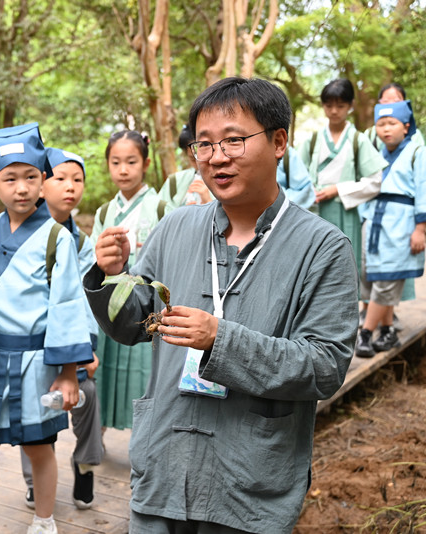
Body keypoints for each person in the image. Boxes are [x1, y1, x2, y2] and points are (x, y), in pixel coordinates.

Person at [84, 77, 358, 533]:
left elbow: (325, 366)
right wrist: (109, 275)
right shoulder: (175, 228)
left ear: (278, 141)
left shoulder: (322, 247)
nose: (216, 157)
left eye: (234, 140)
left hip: (249, 484)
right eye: (203, 144)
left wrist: (220, 340)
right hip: (163, 470)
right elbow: (134, 323)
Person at [0, 123, 93, 534]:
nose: (22, 188)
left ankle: (44, 521)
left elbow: (68, 303)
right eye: (10, 179)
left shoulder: (57, 237)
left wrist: (69, 373)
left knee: (40, 447)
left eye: (32, 177)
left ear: (43, 181)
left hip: (37, 360)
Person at [19, 147, 104, 511]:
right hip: (30, 345)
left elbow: (82, 301)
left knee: (85, 393)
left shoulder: (82, 242)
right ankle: (33, 480)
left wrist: (85, 349)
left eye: (78, 179)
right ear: (39, 184)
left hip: (69, 345)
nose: (70, 187)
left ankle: (84, 463)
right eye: (60, 178)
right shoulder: (18, 234)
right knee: (33, 406)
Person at [89, 130, 160, 432]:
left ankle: (142, 439)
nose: (123, 169)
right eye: (115, 162)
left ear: (145, 163)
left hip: (144, 309)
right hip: (110, 306)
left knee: (143, 374)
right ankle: (98, 437)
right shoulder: (105, 211)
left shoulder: (160, 207)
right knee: (106, 373)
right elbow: (92, 262)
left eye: (131, 161)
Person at [355, 101, 426, 357]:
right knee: (372, 276)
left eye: (392, 123)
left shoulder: (418, 151)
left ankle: (365, 333)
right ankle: (387, 331)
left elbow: (423, 190)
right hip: (375, 221)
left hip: (402, 223)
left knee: (387, 280)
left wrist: (421, 228)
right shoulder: (377, 153)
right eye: (381, 124)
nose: (386, 129)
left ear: (406, 127)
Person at [298, 79, 388, 276]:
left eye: (340, 106)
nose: (334, 111)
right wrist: (307, 191)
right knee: (311, 268)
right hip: (314, 211)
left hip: (345, 214)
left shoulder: (358, 140)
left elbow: (376, 181)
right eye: (328, 105)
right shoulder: (312, 140)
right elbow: (296, 175)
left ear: (350, 106)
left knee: (343, 269)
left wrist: (338, 189)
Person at [364, 82, 423, 324]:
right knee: (370, 270)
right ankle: (382, 322)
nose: (390, 106)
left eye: (395, 100)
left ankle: (371, 328)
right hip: (374, 212)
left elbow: (422, 185)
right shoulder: (371, 136)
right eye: (385, 102)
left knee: (393, 272)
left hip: (401, 217)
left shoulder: (416, 145)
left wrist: (421, 227)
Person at [157, 124, 212, 211]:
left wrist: (209, 203)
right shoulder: (174, 181)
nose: (199, 163)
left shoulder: (225, 180)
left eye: (203, 157)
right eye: (192, 159)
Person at [366, 83, 425, 150]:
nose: (391, 104)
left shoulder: (415, 135)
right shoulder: (370, 134)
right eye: (385, 101)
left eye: (396, 101)